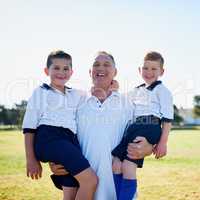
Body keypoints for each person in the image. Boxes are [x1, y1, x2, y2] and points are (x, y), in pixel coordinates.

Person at [50, 51, 153, 200]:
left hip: (118, 189)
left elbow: (148, 131)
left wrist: (148, 147)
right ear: (90, 72)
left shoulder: (129, 103)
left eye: (106, 65)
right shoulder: (76, 101)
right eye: (96, 65)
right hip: (84, 191)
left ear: (115, 72)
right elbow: (58, 134)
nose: (101, 68)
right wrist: (54, 162)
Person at [22, 50, 98, 200]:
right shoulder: (40, 92)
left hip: (70, 140)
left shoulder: (76, 94)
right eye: (56, 68)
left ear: (71, 72)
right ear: (46, 71)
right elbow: (29, 128)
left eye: (65, 69)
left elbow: (95, 94)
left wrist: (115, 85)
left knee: (72, 188)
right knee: (90, 181)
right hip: (50, 138)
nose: (61, 72)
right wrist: (31, 159)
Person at [112, 51, 174, 199]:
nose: (149, 72)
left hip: (150, 125)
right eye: (145, 68)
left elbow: (167, 119)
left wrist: (163, 143)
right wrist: (115, 88)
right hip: (134, 127)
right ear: (139, 70)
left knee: (128, 167)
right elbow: (122, 100)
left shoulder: (162, 91)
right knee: (117, 166)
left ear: (162, 71)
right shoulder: (137, 90)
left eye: (154, 69)